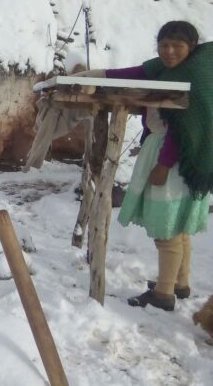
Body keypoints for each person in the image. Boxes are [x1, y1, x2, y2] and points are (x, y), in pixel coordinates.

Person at [77, 21, 212, 310]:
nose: (169, 51)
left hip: (172, 157)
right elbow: (131, 73)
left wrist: (163, 165)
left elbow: (183, 129)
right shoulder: (164, 69)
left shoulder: (192, 78)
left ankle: (164, 294)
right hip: (172, 155)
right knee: (178, 224)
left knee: (166, 227)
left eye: (177, 45)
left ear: (191, 46)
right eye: (164, 44)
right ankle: (180, 282)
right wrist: (95, 75)